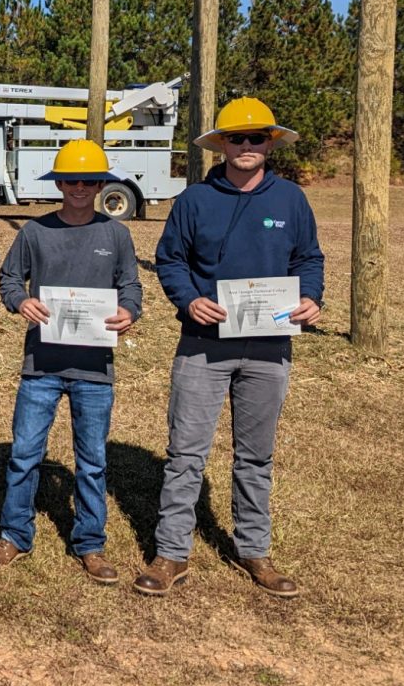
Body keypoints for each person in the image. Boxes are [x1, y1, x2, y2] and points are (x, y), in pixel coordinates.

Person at [134, 97, 324, 599]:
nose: (245, 146)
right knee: (185, 454)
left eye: (255, 138)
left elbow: (309, 257)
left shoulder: (291, 200)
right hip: (203, 346)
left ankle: (254, 551)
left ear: (270, 144)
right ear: (220, 145)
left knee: (256, 456)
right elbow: (169, 259)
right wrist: (189, 299)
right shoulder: (195, 200)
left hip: (268, 349)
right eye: (235, 138)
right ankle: (171, 552)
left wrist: (311, 298)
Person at [0, 140, 141, 583]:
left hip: (94, 371)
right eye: (70, 180)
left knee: (91, 461)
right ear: (58, 183)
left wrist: (129, 311)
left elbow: (131, 287)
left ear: (100, 184)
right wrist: (19, 303)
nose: (78, 188)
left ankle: (90, 543)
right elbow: (10, 278)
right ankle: (14, 535)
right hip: (41, 366)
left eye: (88, 181)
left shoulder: (116, 235)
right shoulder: (35, 232)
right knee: (24, 455)